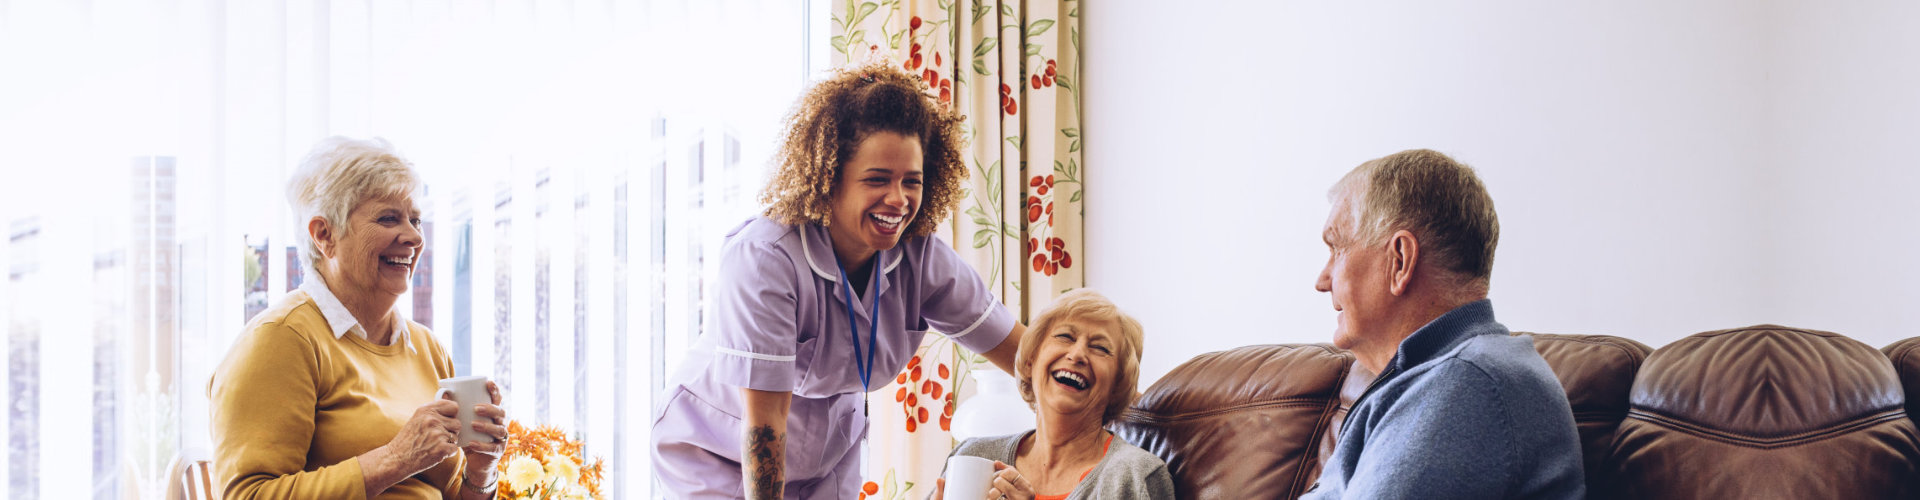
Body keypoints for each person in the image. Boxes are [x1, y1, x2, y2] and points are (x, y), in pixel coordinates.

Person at [650, 61, 1028, 499]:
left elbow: (1027, 356)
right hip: (718, 454)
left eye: (912, 181)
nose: (898, 199)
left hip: (825, 460)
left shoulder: (921, 258)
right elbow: (764, 426)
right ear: (829, 179)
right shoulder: (765, 258)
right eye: (877, 180)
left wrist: (1116, 408)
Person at [209, 137, 508, 499]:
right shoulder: (282, 338)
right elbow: (248, 495)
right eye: (388, 218)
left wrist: (482, 470)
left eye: (415, 219)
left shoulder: (428, 348)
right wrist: (396, 458)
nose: (414, 236)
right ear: (324, 235)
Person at [1300, 149, 1584, 499]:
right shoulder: (1438, 375)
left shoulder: (1471, 381)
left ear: (1400, 261)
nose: (1322, 279)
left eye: (1336, 248)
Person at [933, 289, 1174, 500]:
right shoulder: (972, 457)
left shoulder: (1137, 476)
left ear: (1117, 385)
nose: (1077, 354)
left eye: (1100, 348)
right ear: (1030, 361)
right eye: (1065, 337)